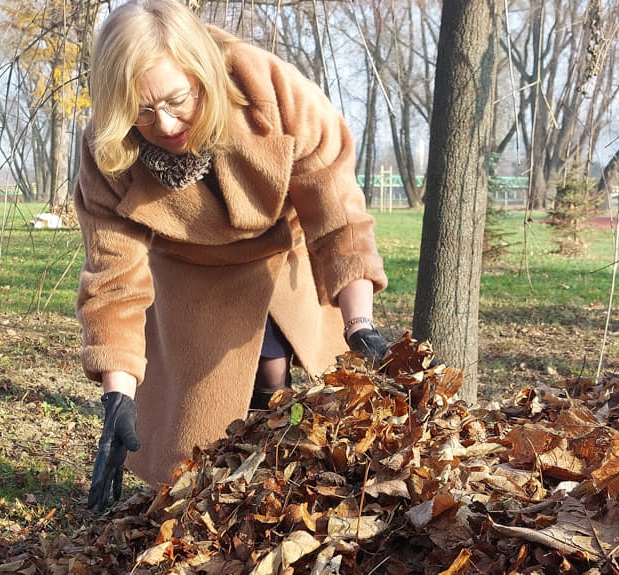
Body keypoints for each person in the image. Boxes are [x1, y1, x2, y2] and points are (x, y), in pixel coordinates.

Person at [76, 0, 390, 510]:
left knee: (275, 377)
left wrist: (360, 324)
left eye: (177, 99)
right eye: (142, 111)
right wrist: (117, 398)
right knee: (195, 439)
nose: (165, 122)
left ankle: (277, 485)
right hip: (189, 280)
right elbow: (114, 280)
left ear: (201, 71)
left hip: (276, 258)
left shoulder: (269, 88)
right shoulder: (106, 151)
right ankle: (215, 502)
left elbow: (337, 214)